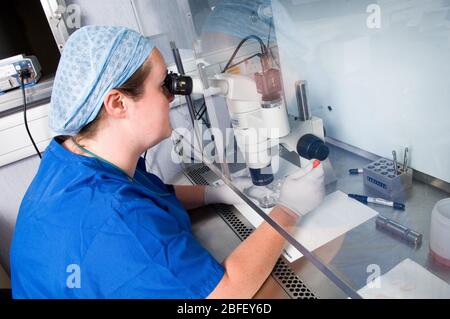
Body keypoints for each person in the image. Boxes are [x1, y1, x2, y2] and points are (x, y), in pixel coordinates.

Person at [10, 26, 324, 299]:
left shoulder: (76, 158)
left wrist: (217, 192)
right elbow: (223, 294)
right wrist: (287, 213)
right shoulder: (116, 223)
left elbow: (150, 193)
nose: (173, 95)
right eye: (164, 85)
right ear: (118, 103)